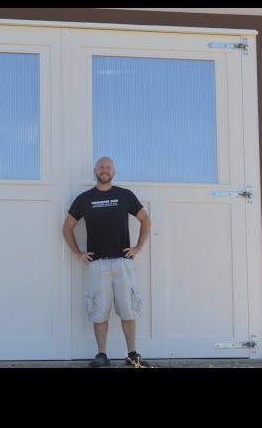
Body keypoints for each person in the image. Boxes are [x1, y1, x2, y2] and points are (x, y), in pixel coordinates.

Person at [62, 156, 152, 367]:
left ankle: (132, 354)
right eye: (101, 167)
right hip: (97, 264)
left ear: (114, 171)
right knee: (99, 310)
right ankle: (101, 355)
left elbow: (145, 219)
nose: (104, 170)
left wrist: (138, 247)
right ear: (95, 170)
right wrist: (78, 252)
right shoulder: (84, 199)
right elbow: (67, 227)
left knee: (128, 309)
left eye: (108, 167)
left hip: (123, 262)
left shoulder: (124, 195)